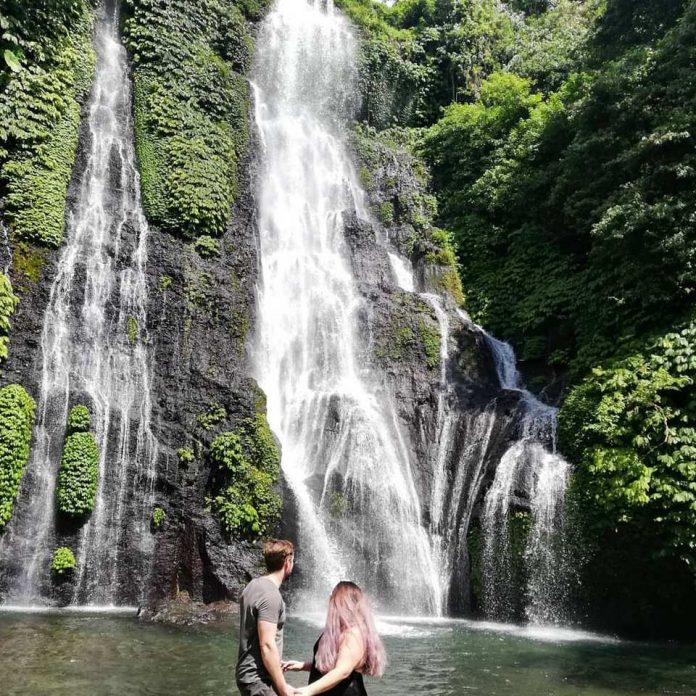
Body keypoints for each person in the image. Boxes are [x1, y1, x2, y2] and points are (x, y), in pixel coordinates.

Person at [282, 581, 386, 696]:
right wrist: (302, 666)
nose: (330, 600)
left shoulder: (353, 634)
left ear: (344, 603)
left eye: (333, 597)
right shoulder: (338, 631)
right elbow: (334, 663)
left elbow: (342, 671)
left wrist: (307, 690)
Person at [236, 538, 297, 696]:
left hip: (250, 675)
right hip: (259, 679)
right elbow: (267, 645)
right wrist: (283, 688)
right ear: (287, 563)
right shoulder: (271, 595)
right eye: (293, 561)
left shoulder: (253, 585)